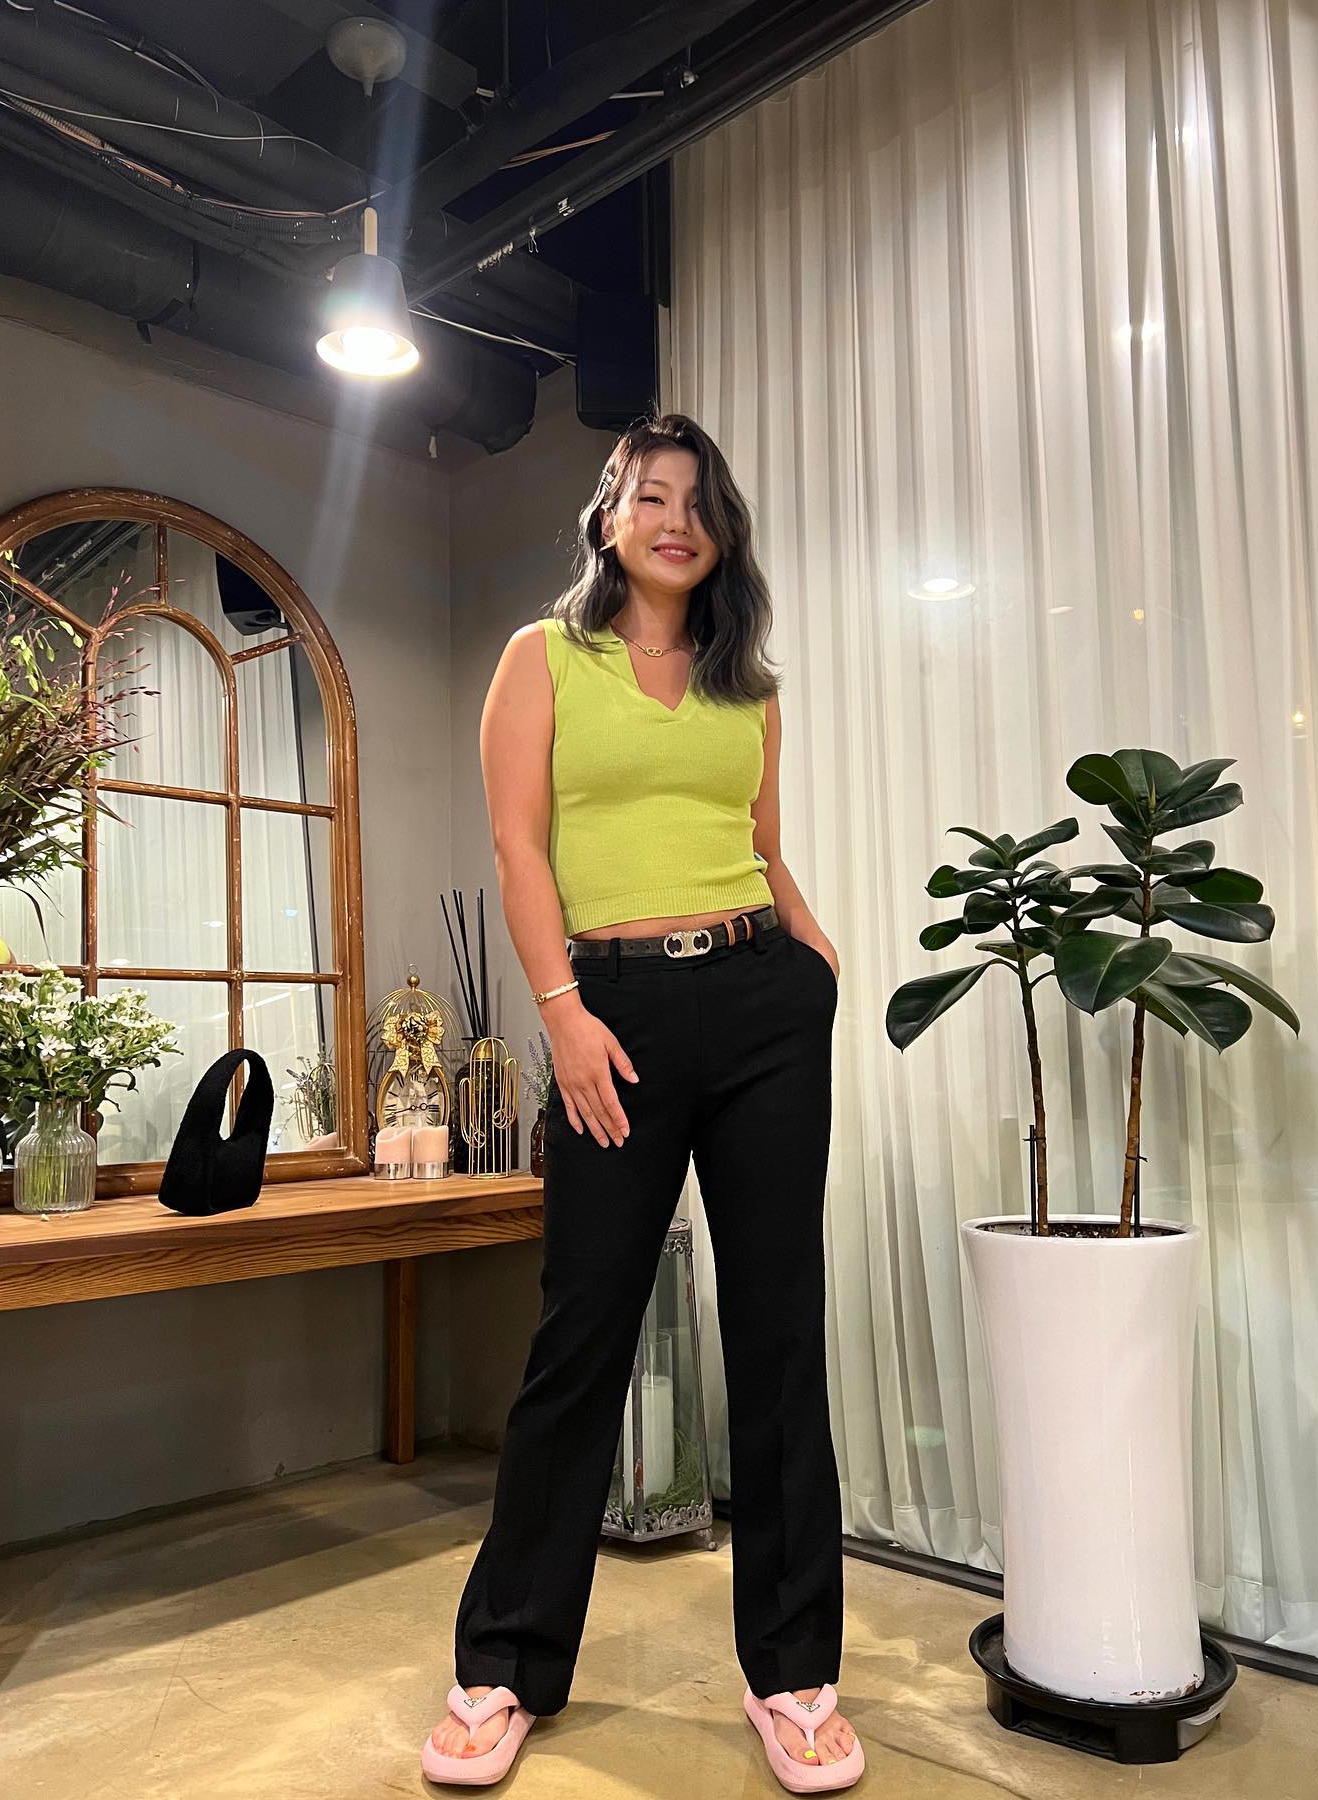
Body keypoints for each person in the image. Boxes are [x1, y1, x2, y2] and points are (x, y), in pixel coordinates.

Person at [422, 414, 864, 1792]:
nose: (676, 521)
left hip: (762, 1003)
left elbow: (764, 847)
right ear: (609, 517)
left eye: (698, 502)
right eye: (651, 497)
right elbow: (519, 847)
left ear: (722, 532)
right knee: (583, 1333)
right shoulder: (542, 658)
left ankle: (794, 1673)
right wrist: (562, 1014)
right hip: (609, 1014)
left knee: (780, 1330)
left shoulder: (749, 687)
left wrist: (816, 964)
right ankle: (504, 1663)